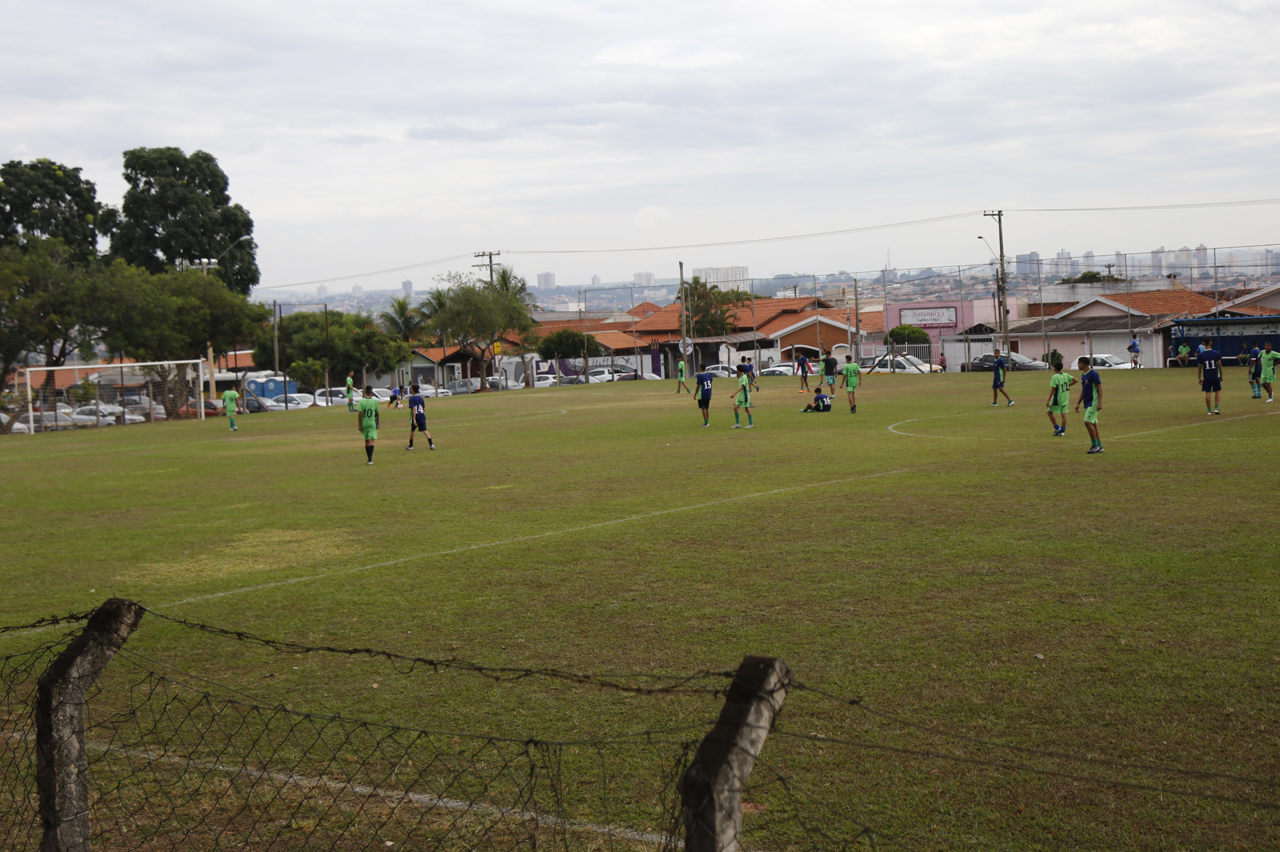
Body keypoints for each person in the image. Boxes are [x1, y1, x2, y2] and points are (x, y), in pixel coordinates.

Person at [1075, 356, 1103, 454]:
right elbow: (1083, 390)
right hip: (1086, 403)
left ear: (1082, 364)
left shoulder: (1093, 374)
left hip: (1093, 403)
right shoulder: (1084, 375)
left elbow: (1100, 387)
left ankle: (1094, 445)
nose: (1077, 365)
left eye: (1078, 363)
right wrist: (1078, 403)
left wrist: (1099, 403)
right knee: (1094, 424)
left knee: (1087, 422)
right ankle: (1100, 445)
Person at [1045, 361, 1076, 437]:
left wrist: (1048, 400)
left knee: (1049, 412)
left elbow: (1053, 389)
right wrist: (1068, 386)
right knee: (1064, 414)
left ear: (1055, 368)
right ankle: (1062, 431)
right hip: (1065, 397)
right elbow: (1076, 380)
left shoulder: (1055, 377)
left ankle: (1057, 428)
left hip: (1057, 398)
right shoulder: (1066, 375)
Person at [1197, 338, 1223, 415]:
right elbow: (1220, 365)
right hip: (1215, 375)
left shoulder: (1201, 355)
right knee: (1217, 391)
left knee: (1208, 392)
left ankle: (1209, 410)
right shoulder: (1216, 353)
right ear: (1211, 343)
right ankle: (1216, 408)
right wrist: (1221, 375)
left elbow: (1199, 367)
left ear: (1204, 343)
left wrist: (1199, 377)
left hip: (1207, 376)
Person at [405, 384, 434, 450]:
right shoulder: (420, 398)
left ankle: (411, 446)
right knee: (425, 430)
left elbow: (414, 409)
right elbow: (424, 409)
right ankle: (431, 444)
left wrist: (414, 419)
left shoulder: (411, 398)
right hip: (422, 416)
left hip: (416, 416)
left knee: (412, 430)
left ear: (412, 390)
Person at [356, 385, 380, 464]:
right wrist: (378, 423)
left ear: (365, 392)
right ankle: (370, 459)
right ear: (372, 392)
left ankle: (368, 458)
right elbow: (377, 413)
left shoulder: (361, 401)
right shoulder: (375, 401)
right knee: (372, 440)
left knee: (366, 440)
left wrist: (359, 425)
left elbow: (360, 413)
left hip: (364, 422)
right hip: (372, 422)